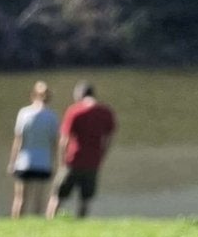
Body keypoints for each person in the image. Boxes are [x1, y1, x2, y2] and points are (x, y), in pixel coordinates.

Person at [49, 81, 117, 218]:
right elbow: (109, 138)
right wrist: (102, 155)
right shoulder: (106, 112)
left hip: (72, 160)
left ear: (79, 94)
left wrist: (61, 162)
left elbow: (64, 139)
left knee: (57, 195)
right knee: (86, 199)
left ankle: (50, 220)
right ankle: (81, 223)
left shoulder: (74, 110)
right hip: (93, 162)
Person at [8, 80, 59, 217]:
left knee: (20, 199)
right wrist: (54, 164)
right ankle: (36, 230)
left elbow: (18, 140)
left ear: (33, 95)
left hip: (24, 162)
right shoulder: (52, 117)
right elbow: (53, 143)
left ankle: (15, 226)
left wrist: (12, 162)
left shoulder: (24, 113)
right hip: (43, 163)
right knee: (39, 201)